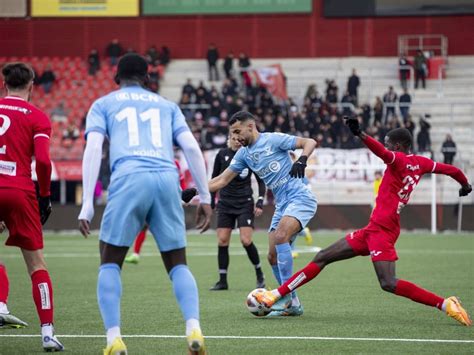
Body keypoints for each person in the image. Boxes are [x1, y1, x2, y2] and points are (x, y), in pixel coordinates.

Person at [255, 119, 473, 327]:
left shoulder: (400, 160)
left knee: (388, 283)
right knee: (322, 257)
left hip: (383, 232)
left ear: (398, 146)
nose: (386, 146)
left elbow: (382, 152)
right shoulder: (422, 163)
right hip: (371, 230)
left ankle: (445, 304)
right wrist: (464, 185)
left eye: (389, 142)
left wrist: (361, 134)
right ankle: (277, 295)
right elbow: (451, 169)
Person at [77, 53, 212, 355]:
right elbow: (190, 146)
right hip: (166, 177)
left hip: (129, 177)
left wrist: (87, 202)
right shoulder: (167, 106)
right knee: (177, 263)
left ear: (117, 78)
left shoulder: (103, 104)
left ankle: (114, 339)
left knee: (110, 260)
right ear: (148, 78)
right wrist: (205, 196)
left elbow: (94, 148)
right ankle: (194, 329)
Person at [209, 111, 318, 316]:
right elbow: (221, 181)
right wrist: (193, 191)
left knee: (281, 236)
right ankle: (293, 304)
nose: (236, 137)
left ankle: (283, 295)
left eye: (238, 131)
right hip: (281, 204)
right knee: (272, 256)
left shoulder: (273, 139)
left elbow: (309, 142)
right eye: (232, 133)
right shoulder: (242, 154)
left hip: (300, 197)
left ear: (251, 127)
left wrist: (302, 160)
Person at [0, 62, 64, 351]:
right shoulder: (37, 116)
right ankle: (48, 333)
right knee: (36, 264)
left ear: (4, 85)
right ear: (31, 86)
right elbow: (45, 161)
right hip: (19, 189)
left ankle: (1, 305)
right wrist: (45, 196)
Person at [209, 134, 267, 291]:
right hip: (225, 203)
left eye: (238, 138)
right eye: (233, 138)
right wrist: (212, 200)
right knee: (222, 240)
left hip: (244, 203)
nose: (236, 141)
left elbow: (261, 181)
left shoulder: (248, 154)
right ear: (228, 139)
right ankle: (222, 281)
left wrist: (260, 200)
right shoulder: (222, 155)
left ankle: (260, 274)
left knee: (246, 240)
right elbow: (214, 178)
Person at [125, 159, 190, 264]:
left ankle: (174, 252)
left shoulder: (174, 162)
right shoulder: (152, 159)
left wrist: (184, 196)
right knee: (145, 225)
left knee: (167, 225)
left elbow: (181, 180)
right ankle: (136, 254)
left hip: (168, 199)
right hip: (153, 197)